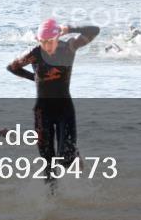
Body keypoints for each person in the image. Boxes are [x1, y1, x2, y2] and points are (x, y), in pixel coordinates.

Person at [7, 19, 100, 187]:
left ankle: (74, 157)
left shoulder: (69, 48)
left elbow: (94, 30)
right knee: (48, 163)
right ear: (38, 40)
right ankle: (51, 201)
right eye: (43, 42)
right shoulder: (34, 53)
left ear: (58, 37)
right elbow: (12, 67)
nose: (47, 46)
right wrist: (34, 78)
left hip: (64, 109)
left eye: (50, 41)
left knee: (65, 159)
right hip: (43, 112)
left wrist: (69, 28)